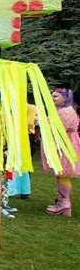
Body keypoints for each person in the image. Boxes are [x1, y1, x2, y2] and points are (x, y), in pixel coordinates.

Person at [44, 88, 80, 217]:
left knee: (63, 174)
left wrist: (45, 125)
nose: (53, 98)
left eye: (56, 96)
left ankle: (64, 204)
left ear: (65, 98)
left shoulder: (66, 112)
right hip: (64, 144)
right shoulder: (62, 111)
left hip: (66, 145)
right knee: (61, 175)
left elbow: (59, 129)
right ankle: (62, 202)